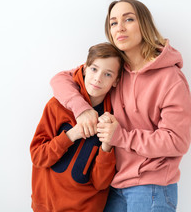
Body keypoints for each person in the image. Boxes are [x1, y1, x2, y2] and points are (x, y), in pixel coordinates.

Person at [50, 0, 191, 212]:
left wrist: (121, 137)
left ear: (144, 24)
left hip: (152, 188)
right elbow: (60, 79)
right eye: (113, 22)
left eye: (129, 19)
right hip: (114, 185)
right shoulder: (113, 70)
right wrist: (82, 110)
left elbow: (177, 141)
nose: (120, 27)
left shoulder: (170, 78)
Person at [30, 42, 125, 212]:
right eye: (94, 69)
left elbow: (101, 182)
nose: (98, 78)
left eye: (108, 74)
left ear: (116, 81)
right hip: (46, 206)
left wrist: (107, 145)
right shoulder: (57, 106)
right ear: (84, 68)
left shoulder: (112, 119)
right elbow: (38, 157)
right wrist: (71, 135)